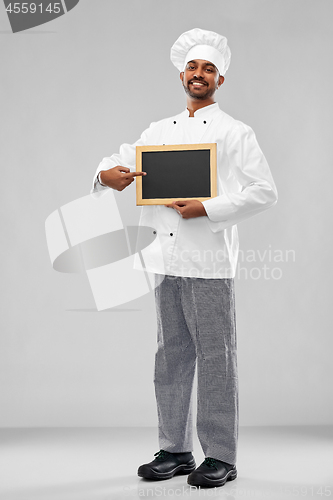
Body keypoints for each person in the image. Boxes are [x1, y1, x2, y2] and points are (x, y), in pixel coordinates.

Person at [92, 28, 278, 489]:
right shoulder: (158, 131)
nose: (200, 74)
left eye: (209, 69)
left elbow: (264, 191)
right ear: (181, 74)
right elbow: (120, 161)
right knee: (169, 355)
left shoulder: (236, 132)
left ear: (220, 79)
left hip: (209, 261)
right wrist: (104, 174)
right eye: (193, 67)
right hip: (164, 259)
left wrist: (207, 208)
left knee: (217, 356)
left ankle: (220, 455)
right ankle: (175, 449)